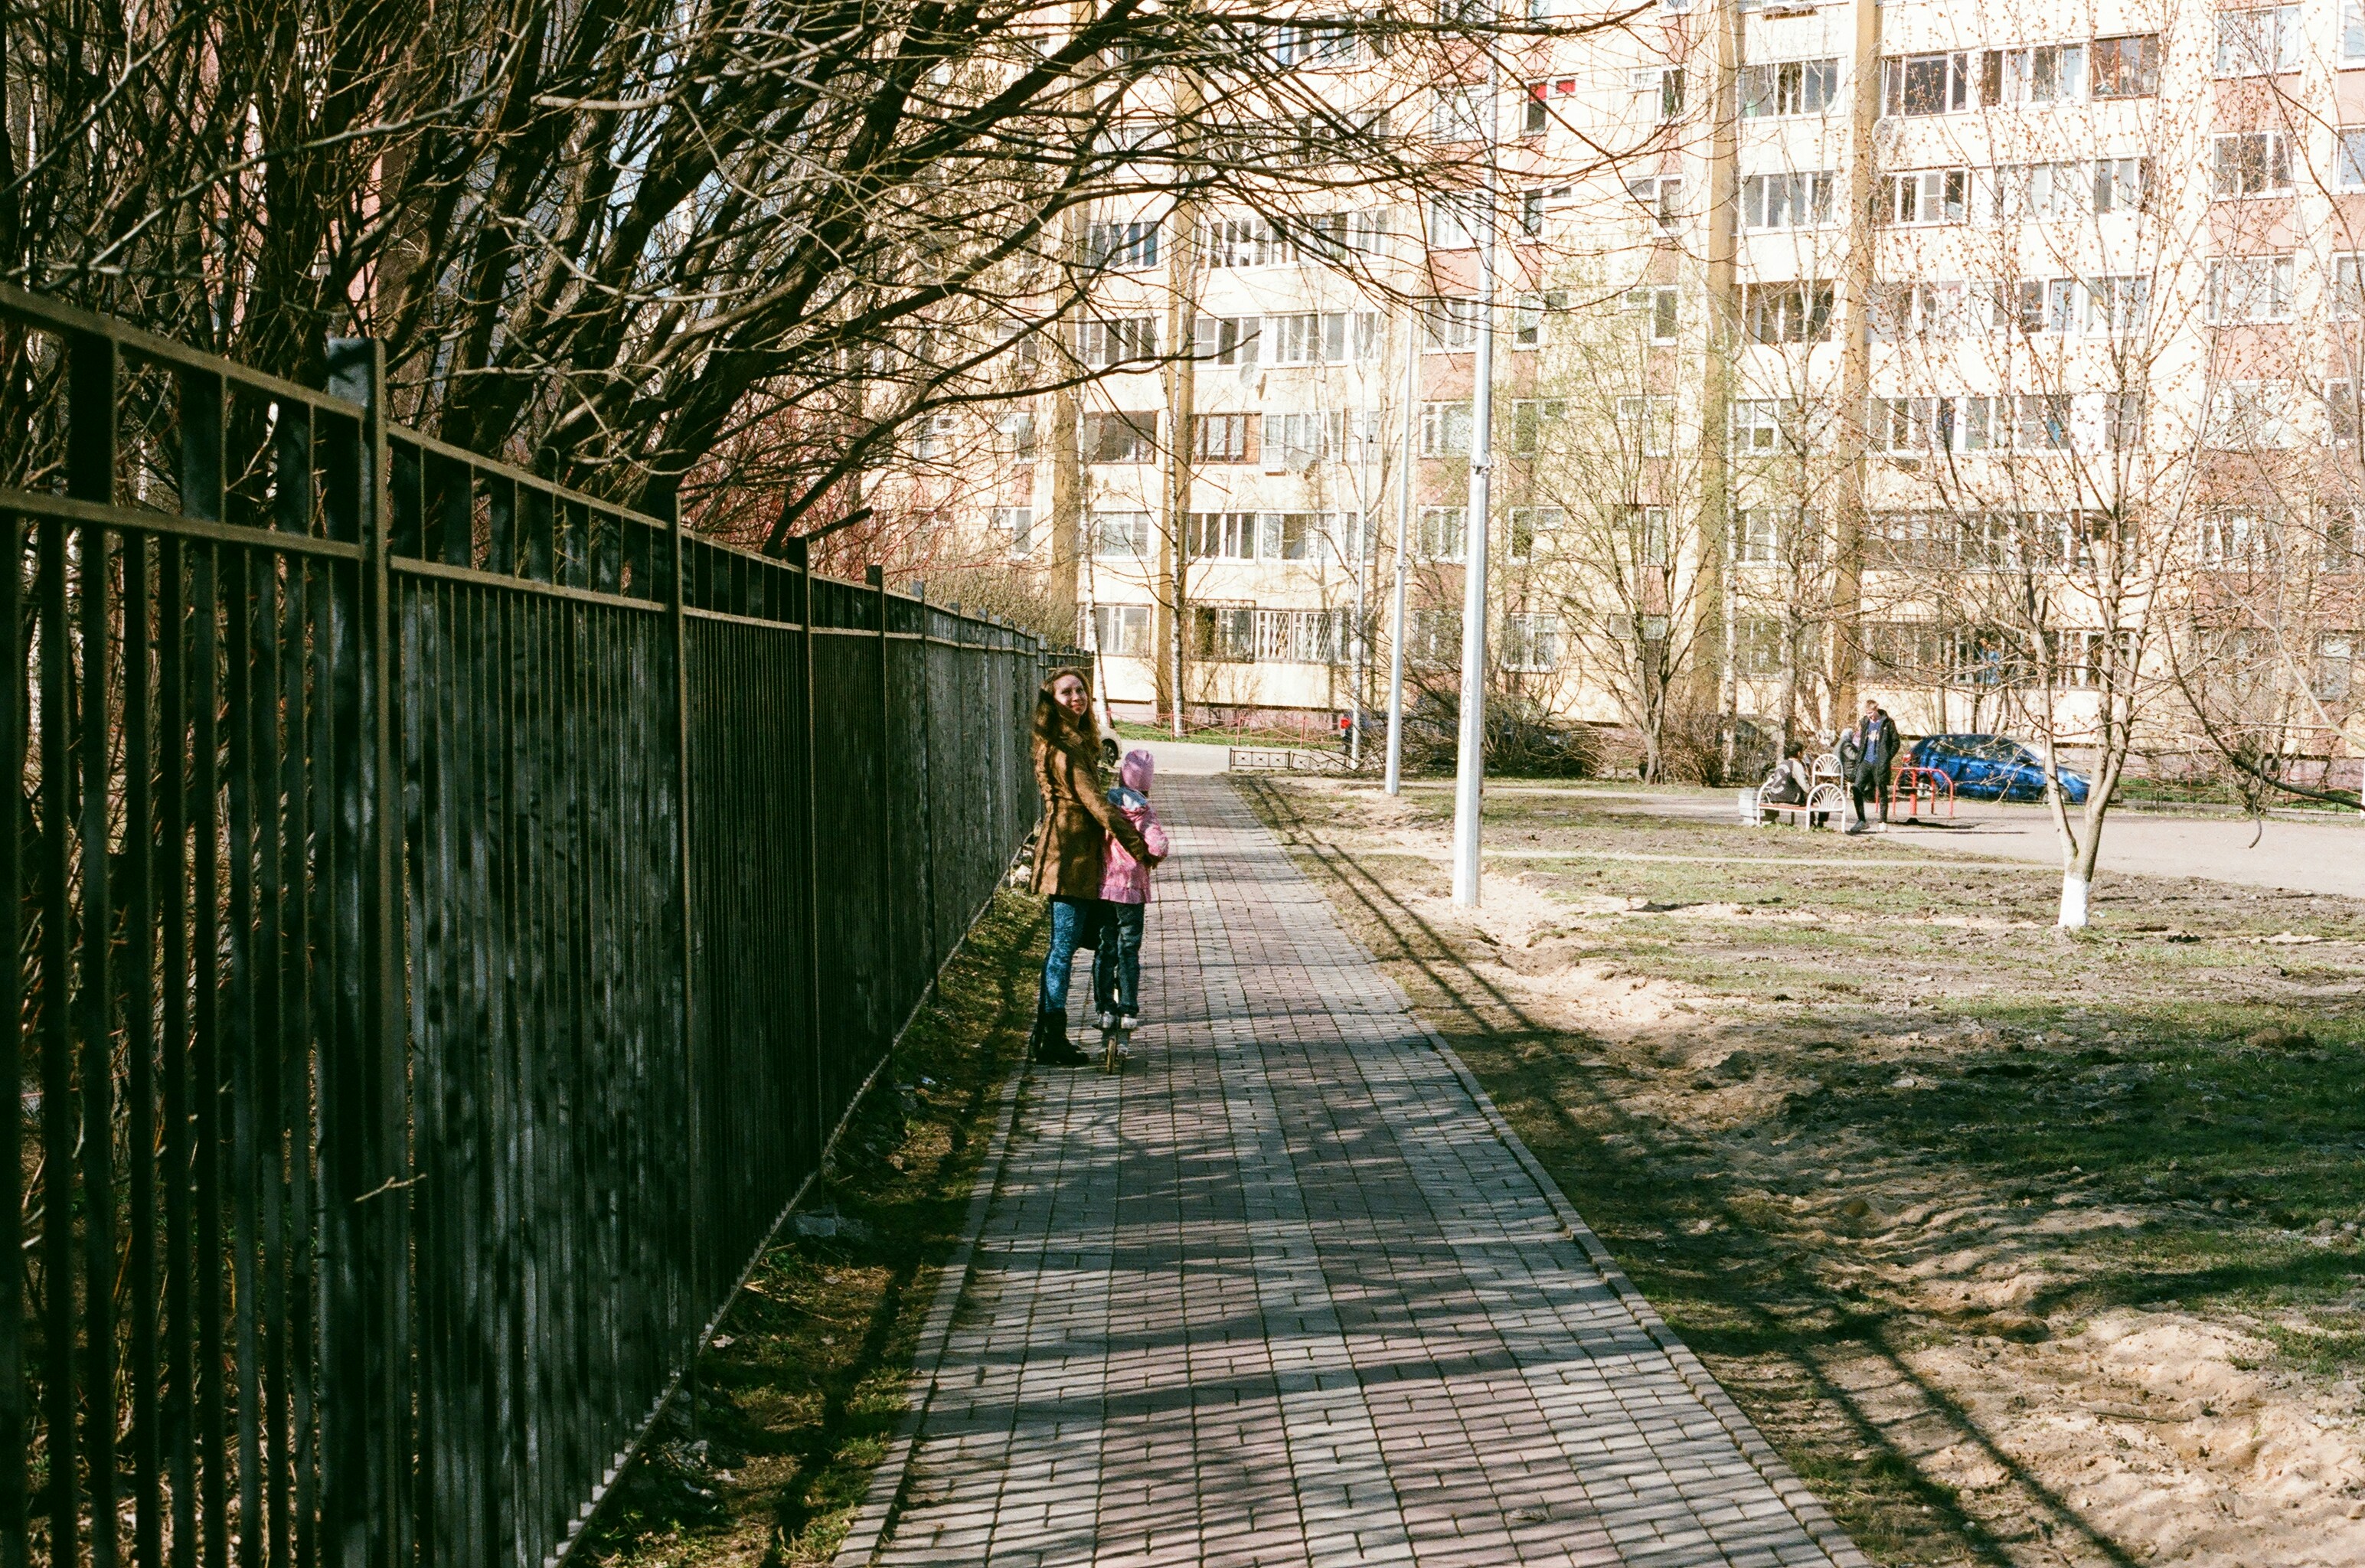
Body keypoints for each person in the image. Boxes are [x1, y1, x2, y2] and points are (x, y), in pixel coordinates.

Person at [1028, 668, 1156, 1066]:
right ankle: (1051, 1039)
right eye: (1066, 692)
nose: (1076, 697)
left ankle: (1045, 1036)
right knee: (1062, 950)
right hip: (1067, 857)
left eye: (1081, 689)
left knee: (1067, 948)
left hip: (1079, 854)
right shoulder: (1064, 748)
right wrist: (1138, 846)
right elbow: (1097, 805)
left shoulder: (1074, 740)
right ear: (1052, 700)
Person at [1093, 749, 1170, 1035]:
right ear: (1148, 784)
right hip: (1132, 892)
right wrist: (1153, 859)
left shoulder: (1105, 808)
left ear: (1120, 776)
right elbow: (1158, 847)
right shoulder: (1144, 812)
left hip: (1105, 889)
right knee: (1129, 951)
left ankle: (1104, 1010)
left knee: (1105, 948)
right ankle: (1128, 1011)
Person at [1846, 700, 1900, 832]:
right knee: (1857, 788)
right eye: (1867, 713)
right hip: (1865, 761)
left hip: (1879, 762)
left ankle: (1883, 822)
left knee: (1881, 791)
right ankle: (1862, 821)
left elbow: (1896, 742)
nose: (1869, 716)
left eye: (1871, 713)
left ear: (1876, 709)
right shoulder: (1865, 722)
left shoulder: (1887, 723)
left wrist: (1886, 757)